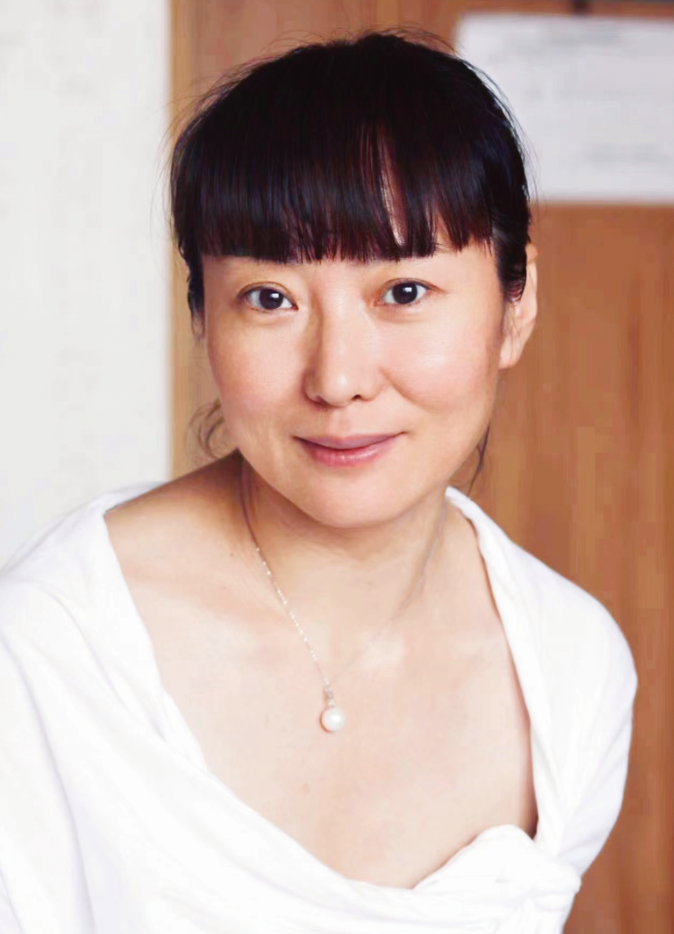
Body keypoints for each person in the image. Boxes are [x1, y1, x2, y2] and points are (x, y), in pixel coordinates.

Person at [0, 29, 636, 934]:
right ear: (202, 318)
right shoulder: (50, 650)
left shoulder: (574, 670)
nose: (338, 378)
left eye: (403, 293)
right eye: (271, 299)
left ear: (516, 305)